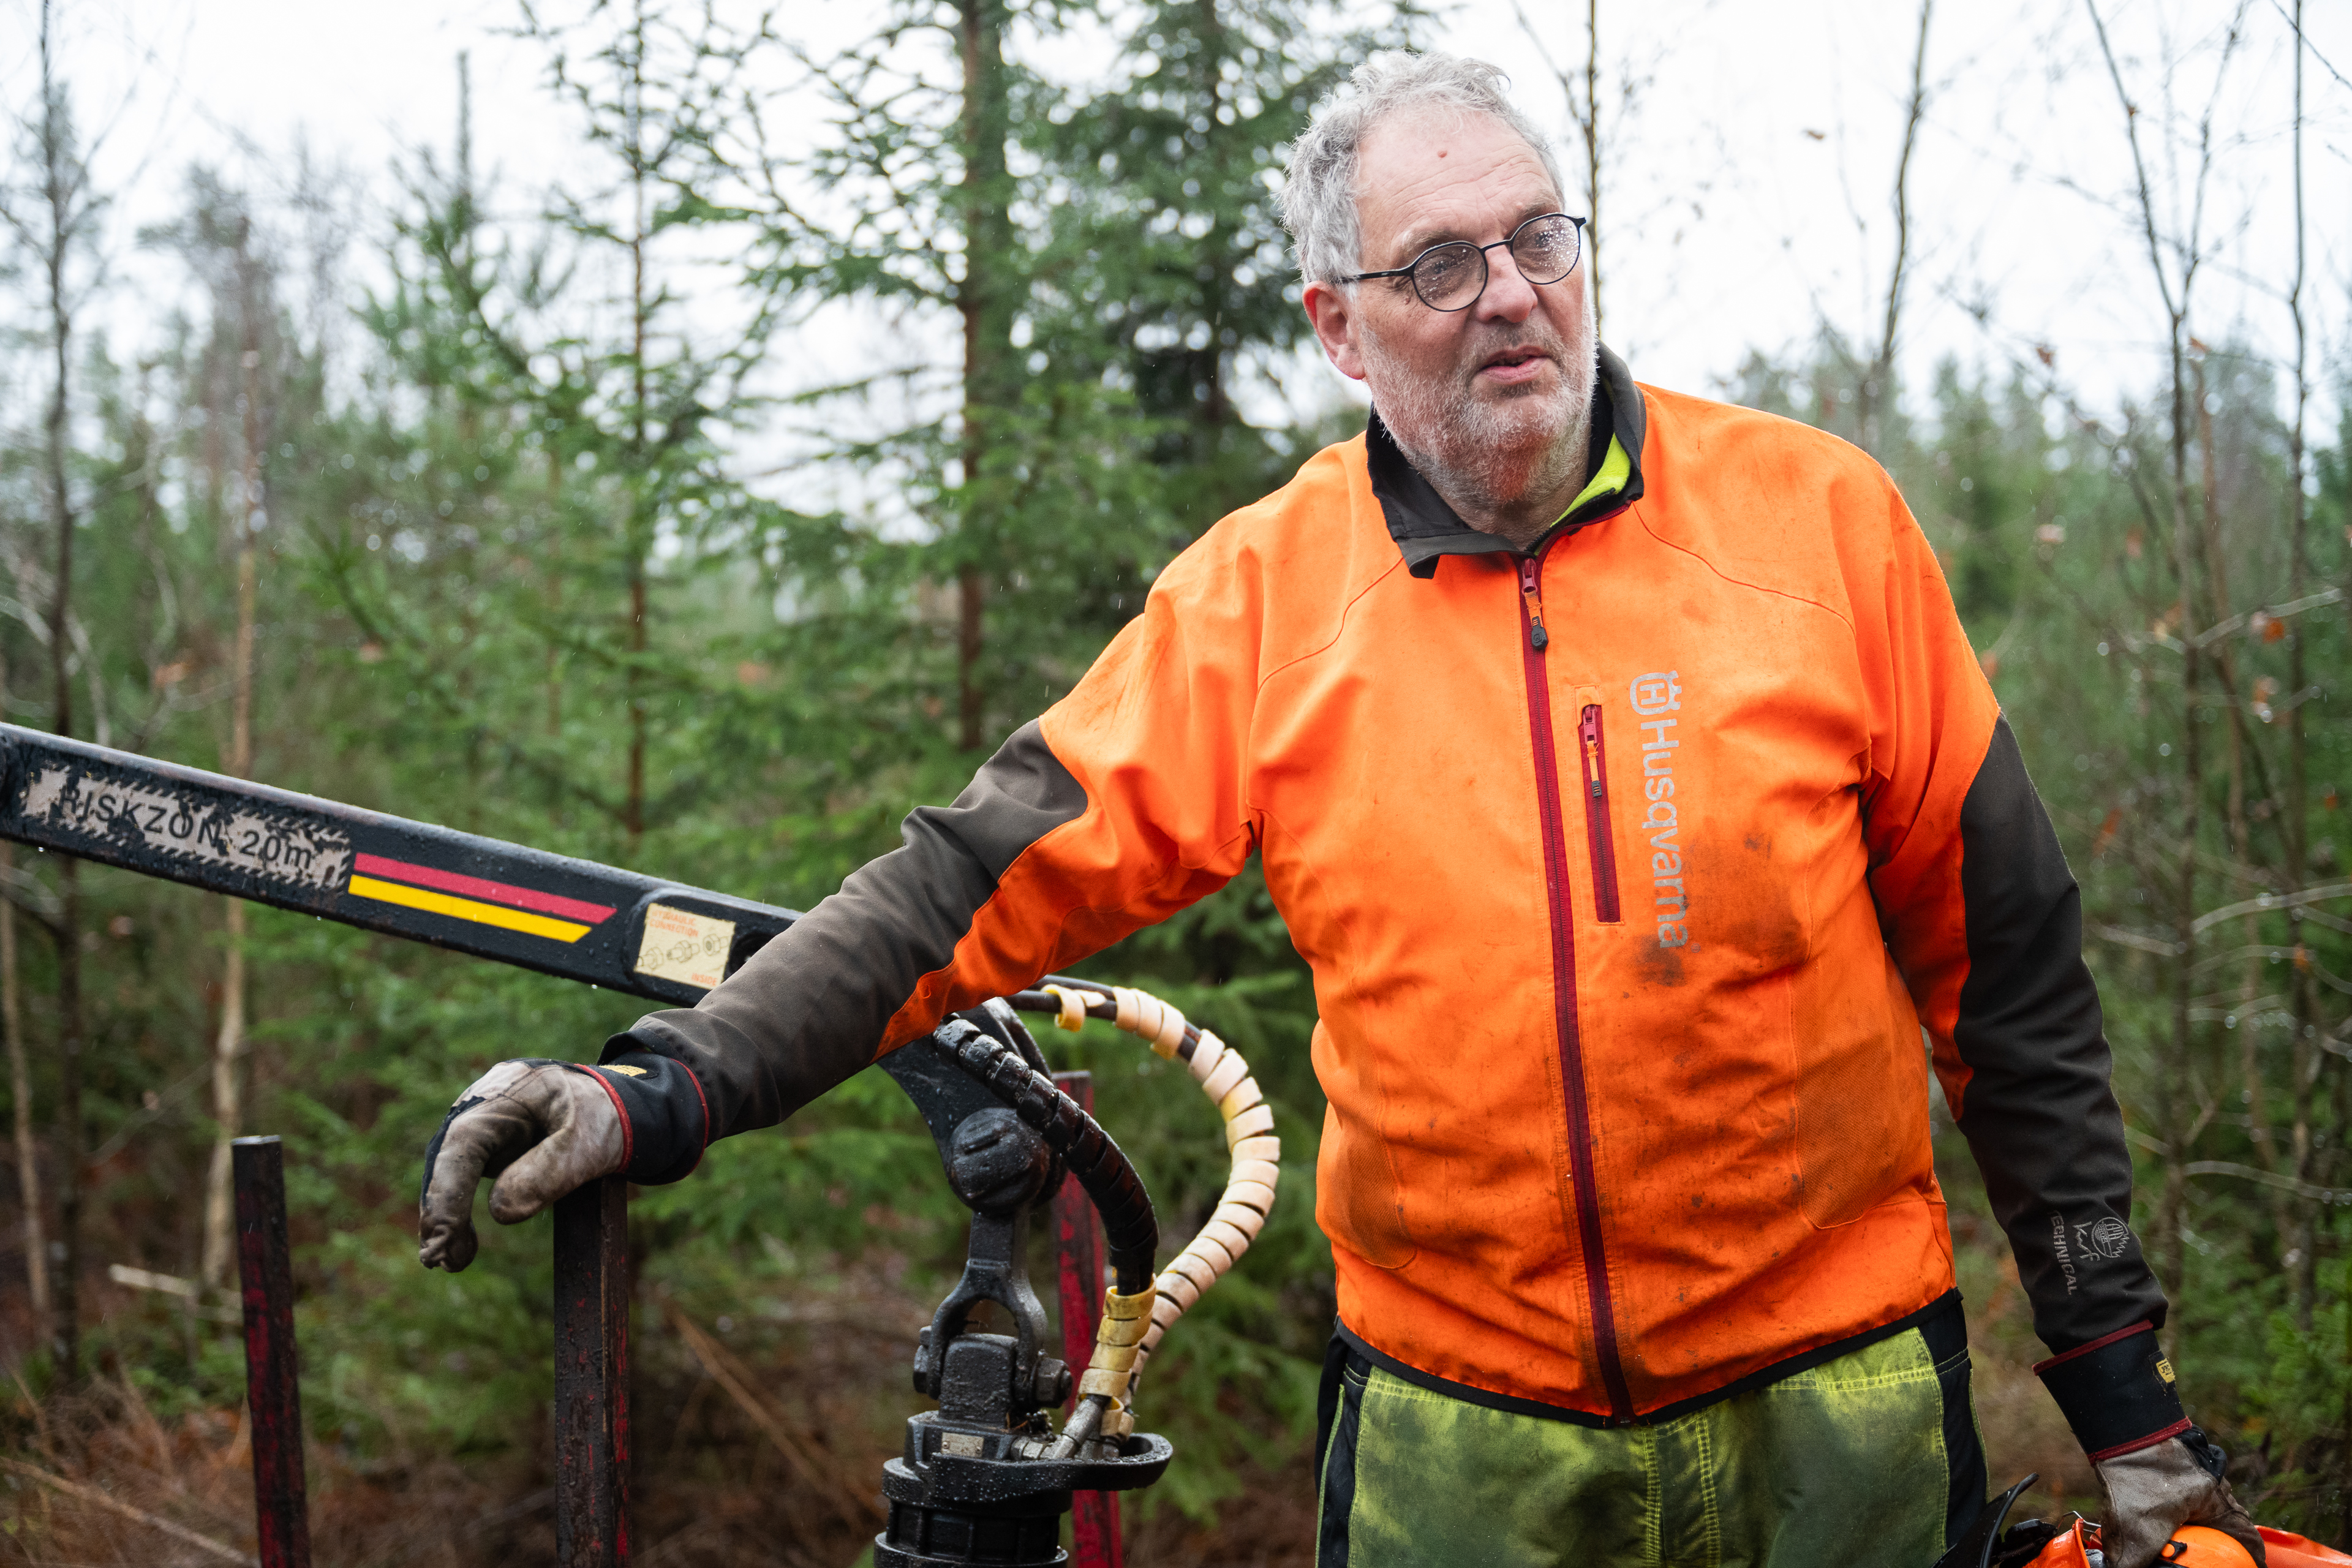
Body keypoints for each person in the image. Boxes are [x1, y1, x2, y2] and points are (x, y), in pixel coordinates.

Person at [417, 51, 2261, 1568]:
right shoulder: (1263, 605)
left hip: (1840, 1424)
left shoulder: (1822, 528)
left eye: (1540, 236)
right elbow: (959, 889)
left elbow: (2008, 976)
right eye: (1441, 264)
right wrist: (659, 1087)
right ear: (1338, 327)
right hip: (1457, 1456)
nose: (1514, 292)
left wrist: (2127, 1401)